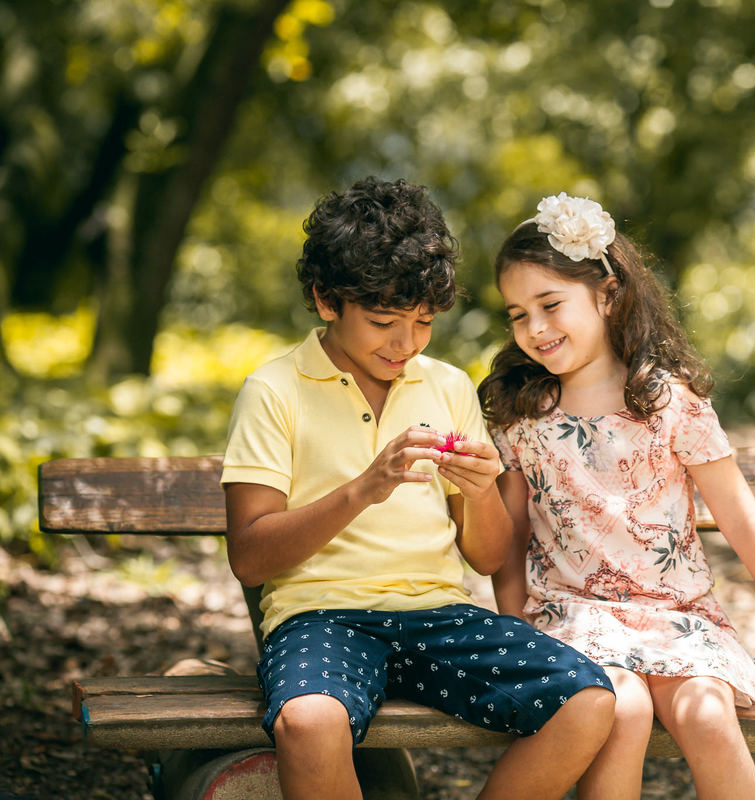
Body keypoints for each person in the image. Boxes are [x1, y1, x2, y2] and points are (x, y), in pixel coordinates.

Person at [221, 178, 615, 800]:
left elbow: (486, 557)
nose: (405, 344)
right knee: (308, 721)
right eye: (383, 322)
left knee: (589, 701)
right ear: (326, 300)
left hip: (438, 614)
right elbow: (249, 556)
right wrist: (364, 489)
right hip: (321, 616)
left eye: (423, 322)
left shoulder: (448, 386)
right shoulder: (274, 391)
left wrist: (483, 492)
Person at [478, 193, 755, 799]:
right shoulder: (522, 416)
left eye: (551, 305)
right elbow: (513, 535)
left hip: (677, 617)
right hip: (572, 618)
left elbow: (740, 517)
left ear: (608, 294)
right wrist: (514, 629)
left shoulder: (667, 402)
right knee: (622, 709)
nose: (535, 328)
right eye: (518, 314)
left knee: (708, 713)